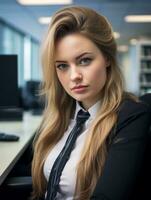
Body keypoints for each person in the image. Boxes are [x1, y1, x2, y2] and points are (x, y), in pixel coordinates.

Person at [31, 6, 151, 200]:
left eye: (84, 61)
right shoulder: (62, 115)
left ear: (107, 58)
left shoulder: (131, 115)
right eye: (62, 66)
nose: (74, 76)